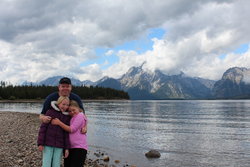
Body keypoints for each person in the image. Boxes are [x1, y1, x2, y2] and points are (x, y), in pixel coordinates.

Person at [52, 100, 88, 167]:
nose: (72, 112)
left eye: (73, 110)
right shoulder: (71, 117)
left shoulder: (80, 115)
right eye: (70, 111)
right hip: (70, 147)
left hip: (79, 147)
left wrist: (59, 123)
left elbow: (72, 129)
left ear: (78, 108)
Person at [37, 96, 71, 167]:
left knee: (56, 164)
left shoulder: (67, 117)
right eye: (63, 104)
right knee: (46, 163)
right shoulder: (50, 112)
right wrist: (40, 143)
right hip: (47, 144)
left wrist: (66, 148)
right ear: (58, 104)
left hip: (60, 145)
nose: (65, 106)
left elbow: (66, 134)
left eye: (67, 105)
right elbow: (43, 128)